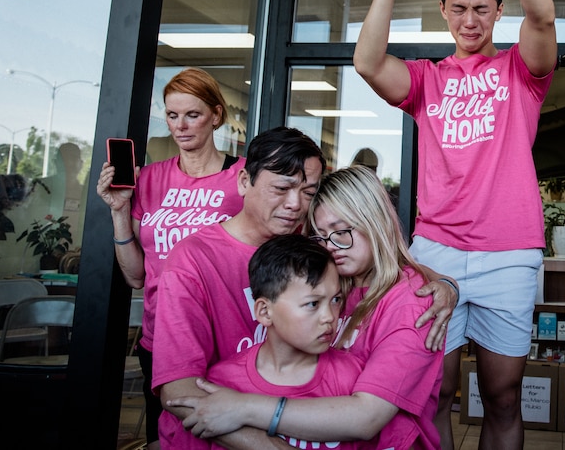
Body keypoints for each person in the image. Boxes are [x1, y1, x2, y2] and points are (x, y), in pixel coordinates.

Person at [353, 0, 558, 450]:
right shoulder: (426, 80)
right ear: (444, 9)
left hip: (509, 253)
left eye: (483, 8)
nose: (470, 20)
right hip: (436, 253)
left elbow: (542, 15)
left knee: (503, 396)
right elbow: (368, 62)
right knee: (430, 393)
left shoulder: (523, 72)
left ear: (498, 11)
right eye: (459, 8)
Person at [168, 165, 445, 449]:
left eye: (341, 232)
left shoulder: (413, 302)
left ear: (375, 223)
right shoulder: (336, 282)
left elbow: (367, 418)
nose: (331, 247)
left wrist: (244, 407)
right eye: (321, 236)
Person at [95, 66, 245, 448]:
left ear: (216, 115)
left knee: (224, 436)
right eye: (172, 115)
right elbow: (134, 277)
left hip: (224, 336)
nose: (180, 125)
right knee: (167, 438)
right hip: (160, 337)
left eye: (192, 115)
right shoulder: (148, 179)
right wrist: (118, 212)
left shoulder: (241, 177)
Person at [153, 125, 325, 449]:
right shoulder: (192, 261)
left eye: (308, 192)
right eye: (282, 188)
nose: (295, 204)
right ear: (245, 182)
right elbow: (178, 391)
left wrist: (443, 283)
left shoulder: (312, 251)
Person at [201, 234, 371, 450]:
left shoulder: (353, 380)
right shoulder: (220, 386)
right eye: (312, 304)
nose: (329, 316)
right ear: (264, 311)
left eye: (336, 300)